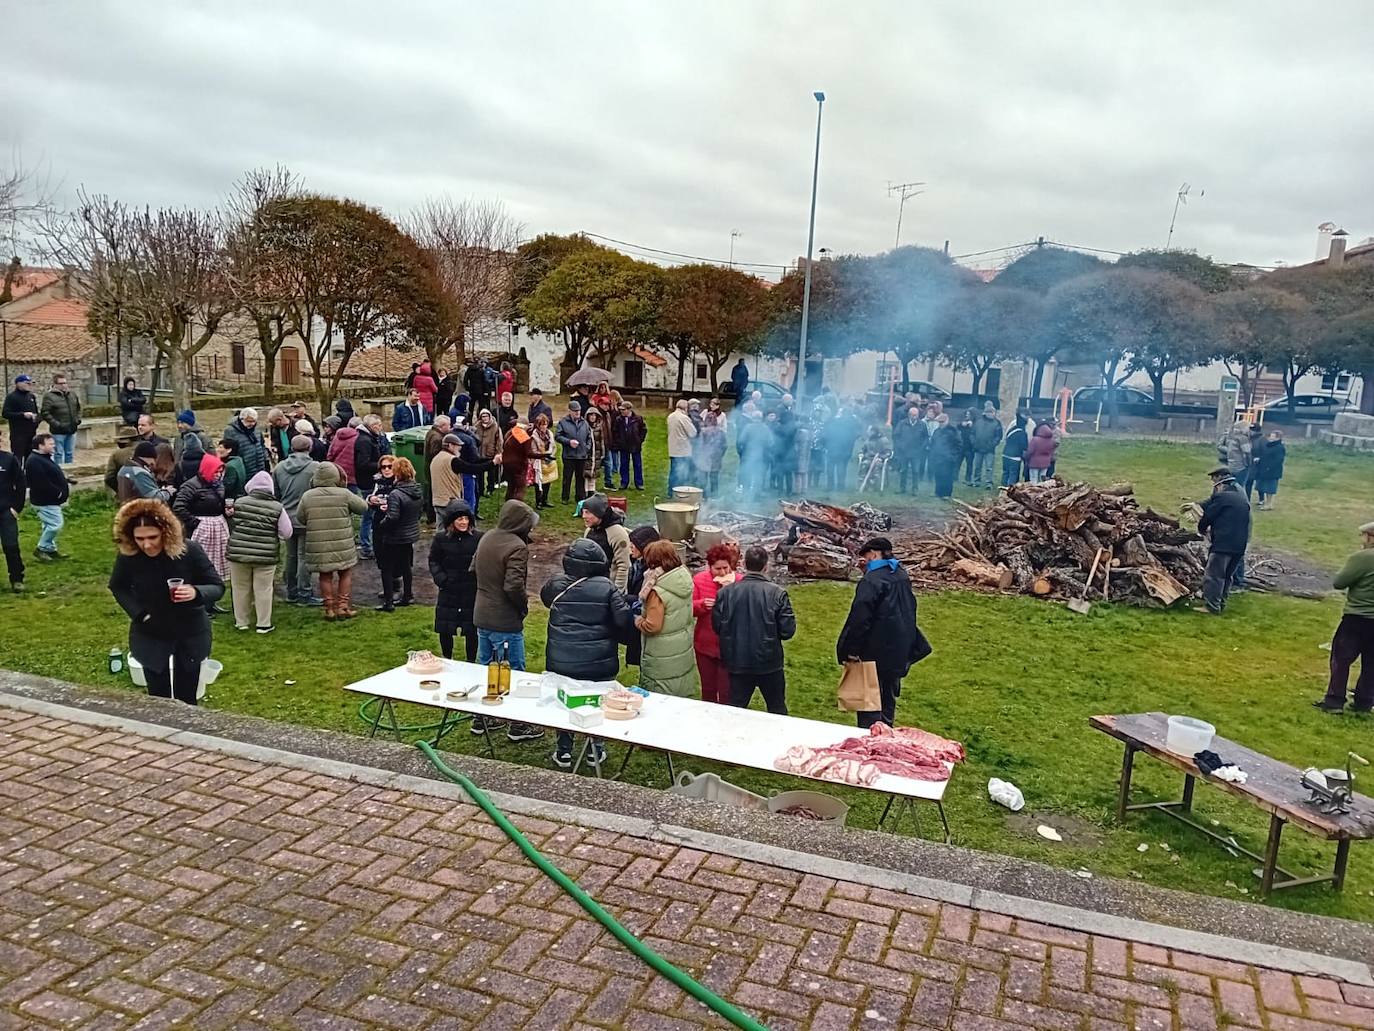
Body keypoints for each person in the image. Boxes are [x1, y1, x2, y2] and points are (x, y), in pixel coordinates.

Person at [109, 499, 224, 704]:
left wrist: (195, 592)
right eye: (139, 538)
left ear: (166, 532)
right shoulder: (129, 556)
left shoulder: (190, 551)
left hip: (189, 630)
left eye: (152, 537)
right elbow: (118, 586)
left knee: (187, 695)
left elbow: (217, 587)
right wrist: (139, 614)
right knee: (157, 697)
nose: (146, 544)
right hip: (151, 631)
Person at [543, 538, 632, 768]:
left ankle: (564, 751)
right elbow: (623, 620)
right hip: (598, 660)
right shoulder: (606, 587)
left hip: (563, 658)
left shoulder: (555, 584)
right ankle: (595, 750)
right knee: (597, 700)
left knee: (564, 702)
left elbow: (545, 599)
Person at [836, 537, 928, 729]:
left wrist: (850, 650)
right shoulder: (901, 575)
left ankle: (872, 748)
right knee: (888, 703)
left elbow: (860, 619)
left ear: (875, 554)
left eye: (867, 557)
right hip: (899, 649)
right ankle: (887, 741)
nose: (866, 561)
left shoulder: (872, 581)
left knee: (869, 710)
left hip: (873, 652)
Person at [471, 499, 542, 742]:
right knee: (515, 672)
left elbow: (473, 568)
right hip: (505, 619)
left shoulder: (488, 536)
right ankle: (518, 725)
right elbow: (513, 586)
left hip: (482, 614)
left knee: (487, 667)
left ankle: (482, 717)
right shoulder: (517, 547)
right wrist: (522, 607)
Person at [712, 546, 795, 715]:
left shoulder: (725, 593)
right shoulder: (778, 594)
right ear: (766, 566)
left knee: (736, 710)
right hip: (769, 662)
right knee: (777, 708)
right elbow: (788, 631)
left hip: (737, 661)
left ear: (743, 563)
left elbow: (717, 626)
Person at [297, 461, 367, 621]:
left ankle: (329, 608)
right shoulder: (344, 494)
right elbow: (363, 508)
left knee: (325, 575)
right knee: (345, 572)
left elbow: (301, 518)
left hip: (319, 543)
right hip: (342, 542)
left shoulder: (308, 496)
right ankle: (343, 606)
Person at [1315, 522, 1374, 713]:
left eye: (1364, 535)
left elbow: (1339, 582)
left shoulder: (1363, 558)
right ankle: (1364, 701)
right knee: (1371, 663)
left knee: (1341, 659)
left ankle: (1334, 700)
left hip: (1357, 617)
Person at [226, 471, 292, 634]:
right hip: (266, 555)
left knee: (240, 587)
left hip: (239, 552)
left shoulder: (239, 503)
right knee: (263, 589)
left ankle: (241, 621)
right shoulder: (277, 508)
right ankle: (263, 624)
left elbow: (231, 523)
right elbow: (287, 532)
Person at [634, 540, 697, 697]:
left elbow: (652, 626)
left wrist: (638, 620)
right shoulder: (682, 579)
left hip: (661, 657)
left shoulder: (657, 590)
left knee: (659, 699)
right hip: (681, 650)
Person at [429, 500, 482, 662]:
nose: (463, 522)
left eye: (466, 519)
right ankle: (447, 658)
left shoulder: (478, 538)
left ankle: (471, 661)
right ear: (451, 521)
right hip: (449, 590)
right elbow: (434, 560)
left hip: (470, 590)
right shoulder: (440, 539)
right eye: (459, 519)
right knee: (446, 628)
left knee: (471, 629)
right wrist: (442, 580)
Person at [273, 435, 321, 605]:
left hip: (286, 518)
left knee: (291, 556)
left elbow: (276, 494)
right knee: (304, 556)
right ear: (310, 448)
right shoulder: (316, 468)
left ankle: (291, 592)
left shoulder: (279, 468)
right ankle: (305, 593)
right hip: (306, 516)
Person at [1197, 465, 1251, 615]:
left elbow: (1208, 516)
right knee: (1227, 576)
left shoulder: (1221, 497)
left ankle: (1211, 607)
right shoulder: (1240, 497)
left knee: (1214, 575)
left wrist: (1201, 529)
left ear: (1220, 485)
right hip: (1239, 544)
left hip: (1223, 544)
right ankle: (1220, 603)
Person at [692, 544, 742, 705]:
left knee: (727, 691)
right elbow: (689, 608)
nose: (722, 573)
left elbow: (744, 612)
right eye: (717, 569)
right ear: (709, 567)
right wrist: (701, 605)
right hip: (705, 645)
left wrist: (730, 592)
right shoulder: (699, 580)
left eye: (725, 568)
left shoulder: (740, 582)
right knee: (708, 689)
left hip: (730, 646)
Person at [374, 456, 423, 611]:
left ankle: (388, 602)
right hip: (409, 534)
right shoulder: (416, 489)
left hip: (394, 536)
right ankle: (408, 596)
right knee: (406, 566)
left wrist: (382, 526)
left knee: (387, 569)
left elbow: (393, 517)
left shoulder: (396, 493)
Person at [25, 434, 68, 561]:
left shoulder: (43, 458)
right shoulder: (34, 461)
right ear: (40, 446)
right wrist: (58, 493)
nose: (53, 445)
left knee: (48, 525)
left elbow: (51, 475)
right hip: (45, 501)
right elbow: (41, 483)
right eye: (50, 444)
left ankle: (50, 549)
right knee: (56, 524)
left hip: (49, 500)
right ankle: (42, 548)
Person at [579, 492, 630, 590]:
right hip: (591, 586)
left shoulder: (617, 533)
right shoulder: (589, 531)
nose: (583, 516)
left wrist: (617, 593)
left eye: (587, 512)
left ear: (599, 513)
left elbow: (623, 566)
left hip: (609, 588)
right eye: (583, 512)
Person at [353, 414, 387, 558]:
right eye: (376, 426)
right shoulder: (364, 441)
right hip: (368, 482)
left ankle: (370, 544)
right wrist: (381, 465)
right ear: (370, 427)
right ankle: (366, 547)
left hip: (371, 480)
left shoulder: (371, 438)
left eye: (380, 425)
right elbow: (362, 463)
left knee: (372, 515)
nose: (380, 428)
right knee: (368, 516)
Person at [0, 426, 26, 592]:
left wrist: (16, 508)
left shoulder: (8, 459)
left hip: (5, 512)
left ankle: (17, 579)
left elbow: (21, 484)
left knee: (11, 546)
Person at [39, 373, 81, 466]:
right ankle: (59, 472)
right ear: (55, 384)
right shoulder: (49, 396)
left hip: (72, 428)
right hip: (58, 431)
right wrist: (56, 424)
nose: (64, 385)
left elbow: (78, 408)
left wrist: (78, 419)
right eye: (61, 383)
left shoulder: (72, 395)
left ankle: (70, 471)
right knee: (58, 453)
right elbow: (45, 413)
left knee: (69, 453)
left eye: (65, 383)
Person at [555, 401, 591, 504]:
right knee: (567, 477)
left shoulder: (584, 422)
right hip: (569, 455)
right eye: (575, 411)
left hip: (581, 455)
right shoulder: (563, 422)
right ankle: (565, 497)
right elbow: (557, 436)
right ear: (570, 411)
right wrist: (568, 442)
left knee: (581, 478)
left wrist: (587, 448)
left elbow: (589, 437)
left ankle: (580, 497)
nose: (577, 413)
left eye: (579, 411)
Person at [891, 406, 928, 495]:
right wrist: (900, 446)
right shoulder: (902, 423)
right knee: (903, 470)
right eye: (913, 415)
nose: (915, 417)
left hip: (916, 452)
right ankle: (902, 488)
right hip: (904, 452)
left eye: (916, 415)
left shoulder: (922, 424)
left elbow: (925, 438)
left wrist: (921, 448)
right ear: (909, 415)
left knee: (915, 471)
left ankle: (915, 489)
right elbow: (896, 436)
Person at [612, 400, 647, 491]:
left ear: (629, 409)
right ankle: (624, 482)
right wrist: (618, 442)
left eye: (623, 410)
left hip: (635, 445)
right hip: (623, 445)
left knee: (637, 464)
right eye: (621, 410)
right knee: (624, 465)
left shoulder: (638, 419)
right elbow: (615, 431)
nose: (621, 411)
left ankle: (639, 483)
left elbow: (643, 430)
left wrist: (639, 440)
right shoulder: (619, 419)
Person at [824, 407, 862, 490]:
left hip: (832, 446)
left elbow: (826, 432)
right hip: (845, 448)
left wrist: (826, 444)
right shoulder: (852, 421)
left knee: (831, 466)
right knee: (841, 467)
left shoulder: (833, 421)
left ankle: (830, 486)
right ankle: (840, 486)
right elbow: (857, 433)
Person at [3, 374, 40, 461]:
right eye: (27, 383)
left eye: (30, 383)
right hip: (18, 434)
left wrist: (37, 419)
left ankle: (28, 474)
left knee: (30, 458)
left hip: (31, 433)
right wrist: (22, 415)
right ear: (18, 384)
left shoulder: (31, 396)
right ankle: (17, 474)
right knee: (17, 459)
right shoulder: (11, 397)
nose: (29, 385)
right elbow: (6, 413)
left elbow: (36, 412)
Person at [224, 407, 268, 477]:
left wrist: (266, 459)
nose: (252, 424)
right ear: (242, 419)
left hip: (260, 469)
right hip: (244, 470)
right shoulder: (230, 431)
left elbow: (262, 445)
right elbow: (229, 452)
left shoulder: (256, 429)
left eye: (254, 421)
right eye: (249, 421)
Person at [501, 418, 536, 503]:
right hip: (519, 465)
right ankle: (517, 507)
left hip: (507, 463)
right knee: (520, 487)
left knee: (511, 486)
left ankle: (508, 505)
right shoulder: (524, 436)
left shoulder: (510, 432)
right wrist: (544, 456)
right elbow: (528, 453)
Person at [666, 399, 698, 490]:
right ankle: (680, 491)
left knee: (673, 471)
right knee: (682, 472)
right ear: (685, 408)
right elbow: (693, 433)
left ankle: (671, 490)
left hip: (673, 448)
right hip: (683, 449)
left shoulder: (670, 416)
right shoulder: (684, 418)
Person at [971, 402, 1003, 489]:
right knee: (977, 466)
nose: (991, 414)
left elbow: (998, 436)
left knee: (989, 467)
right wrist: (974, 443)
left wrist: (992, 445)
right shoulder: (978, 421)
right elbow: (972, 433)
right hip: (978, 448)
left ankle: (989, 483)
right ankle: (976, 481)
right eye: (989, 412)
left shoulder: (997, 423)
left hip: (989, 449)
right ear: (985, 413)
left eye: (993, 412)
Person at [928, 414, 961, 498]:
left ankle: (947, 494)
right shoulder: (937, 431)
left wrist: (952, 456)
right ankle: (938, 492)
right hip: (938, 458)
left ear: (947, 421)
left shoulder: (953, 431)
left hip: (948, 459)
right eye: (939, 422)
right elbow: (933, 443)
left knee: (947, 476)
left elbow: (958, 445)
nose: (940, 424)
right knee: (938, 475)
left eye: (942, 422)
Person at [697, 409, 728, 497]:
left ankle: (703, 496)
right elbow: (725, 446)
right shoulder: (721, 432)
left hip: (704, 458)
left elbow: (698, 445)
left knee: (703, 478)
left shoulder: (703, 432)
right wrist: (720, 455)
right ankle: (714, 496)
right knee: (714, 478)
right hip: (716, 458)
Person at [529, 414, 557, 510]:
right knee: (539, 482)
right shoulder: (534, 436)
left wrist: (551, 454)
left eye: (545, 424)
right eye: (541, 424)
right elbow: (533, 450)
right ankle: (539, 502)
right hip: (539, 461)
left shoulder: (550, 434)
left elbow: (553, 446)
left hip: (548, 460)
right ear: (538, 425)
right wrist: (543, 456)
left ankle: (545, 500)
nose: (543, 427)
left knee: (548, 481)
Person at [1253, 429, 1286, 510]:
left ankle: (1269, 504)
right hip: (1265, 469)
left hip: (1272, 471)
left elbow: (1278, 460)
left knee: (1270, 488)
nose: (1270, 437)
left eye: (1272, 436)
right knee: (1265, 487)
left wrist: (1269, 467)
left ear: (1277, 438)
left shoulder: (1279, 447)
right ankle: (1266, 503)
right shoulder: (1270, 445)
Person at [474, 408, 503, 495]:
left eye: (486, 416)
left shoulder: (495, 427)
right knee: (480, 474)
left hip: (491, 453)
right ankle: (481, 490)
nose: (485, 418)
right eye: (483, 416)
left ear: (489, 416)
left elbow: (499, 441)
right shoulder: (476, 426)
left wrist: (498, 452)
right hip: (479, 454)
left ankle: (490, 489)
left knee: (491, 474)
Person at [583, 407, 609, 498]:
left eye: (594, 415)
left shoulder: (599, 427)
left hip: (596, 454)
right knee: (586, 473)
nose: (593, 417)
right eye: (591, 415)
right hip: (587, 454)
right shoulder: (584, 427)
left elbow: (601, 441)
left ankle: (591, 491)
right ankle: (584, 492)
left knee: (593, 474)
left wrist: (602, 453)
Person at [105, 426, 140, 493]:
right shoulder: (148, 448)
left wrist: (120, 490)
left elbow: (109, 477)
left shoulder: (117, 454)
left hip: (124, 491)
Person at [1001, 411, 1030, 487]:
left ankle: (1003, 487)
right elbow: (1024, 447)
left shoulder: (1011, 430)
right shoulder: (1023, 433)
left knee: (1005, 472)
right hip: (1015, 457)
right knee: (1013, 474)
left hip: (1005, 454)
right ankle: (1010, 489)